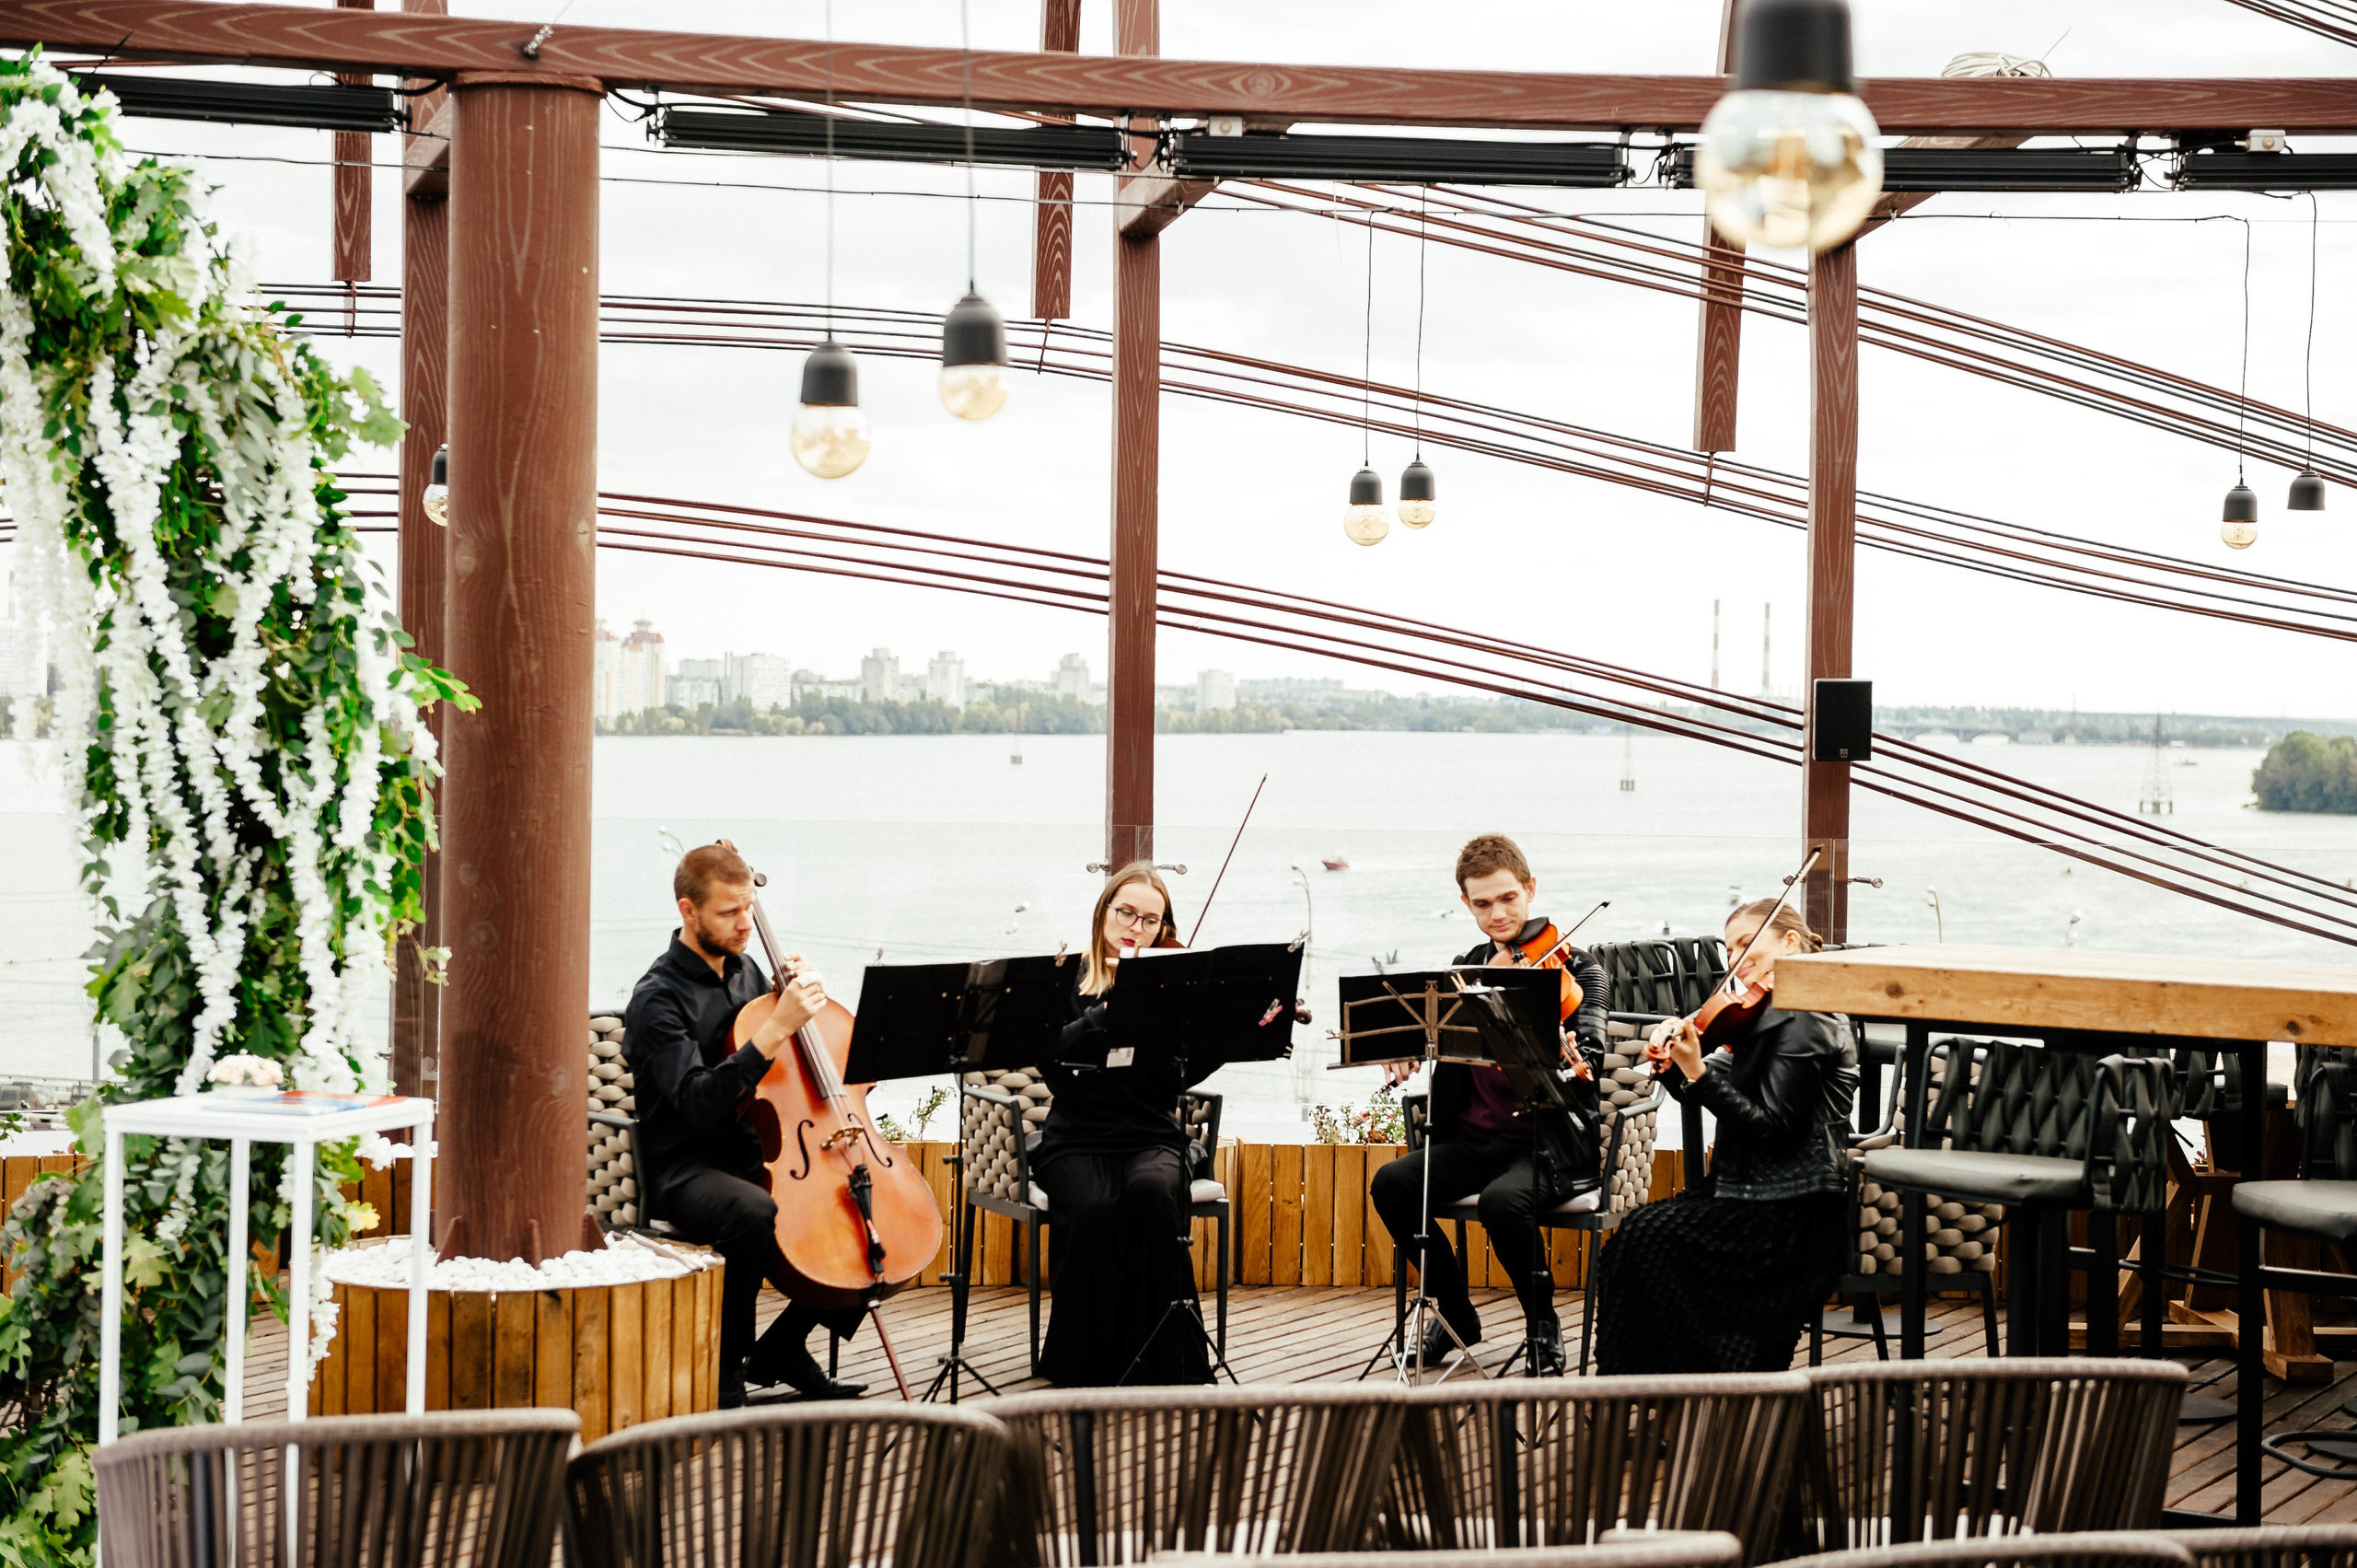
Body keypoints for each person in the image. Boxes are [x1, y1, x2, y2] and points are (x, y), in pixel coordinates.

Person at [623, 842, 865, 1406]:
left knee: (861, 1199)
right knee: (751, 1211)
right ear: (688, 911)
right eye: (729, 913)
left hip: (760, 1150)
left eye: (749, 909)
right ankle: (724, 1373)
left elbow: (782, 1072)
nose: (745, 924)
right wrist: (775, 1027)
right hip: (688, 1164)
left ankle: (781, 1345)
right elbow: (699, 1103)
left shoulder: (749, 971)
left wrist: (800, 1002)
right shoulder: (656, 999)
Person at [1367, 832, 1607, 1376]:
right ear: (1466, 903)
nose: (1498, 914)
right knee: (1393, 1183)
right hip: (1475, 1139)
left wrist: (1565, 1051)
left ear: (1530, 888)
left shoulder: (1580, 968)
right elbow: (1441, 1037)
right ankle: (1455, 1315)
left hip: (1550, 1144)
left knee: (1502, 1203)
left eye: (1508, 899)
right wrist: (1411, 1048)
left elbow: (1590, 1057)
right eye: (1482, 903)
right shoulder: (1465, 967)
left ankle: (1542, 1326)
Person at [1590, 896, 1860, 1376]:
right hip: (1748, 1193)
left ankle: (1688, 1381)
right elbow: (1703, 1089)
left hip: (1795, 1212)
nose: (1735, 960)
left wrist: (1696, 1071)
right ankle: (1645, 1388)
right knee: (1632, 1239)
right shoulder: (1763, 1015)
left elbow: (1771, 1128)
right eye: (1729, 950)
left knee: (1649, 1240)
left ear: (1791, 942)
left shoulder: (1811, 1015)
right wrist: (1674, 1063)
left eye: (1746, 945)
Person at [1032, 863, 1218, 1386]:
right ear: (1104, 912)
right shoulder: (1066, 974)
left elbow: (1181, 1074)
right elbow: (1052, 1060)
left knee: (1154, 1193)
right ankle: (1083, 1363)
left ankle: (1168, 1360)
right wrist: (1110, 1010)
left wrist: (1228, 1035)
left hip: (1150, 1134)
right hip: (1074, 1137)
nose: (1136, 927)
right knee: (1093, 1208)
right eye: (1127, 913)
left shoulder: (1169, 982)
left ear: (1163, 928)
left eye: (1150, 920)